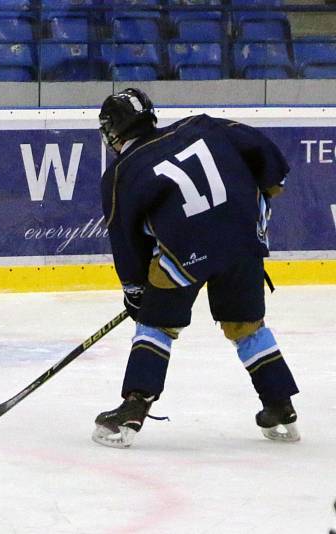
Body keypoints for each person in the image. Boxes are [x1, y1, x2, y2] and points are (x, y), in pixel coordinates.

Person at [92, 88, 300, 448]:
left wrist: (137, 291)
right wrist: (271, 180)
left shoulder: (122, 172)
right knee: (246, 325)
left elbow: (126, 240)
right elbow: (259, 146)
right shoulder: (201, 125)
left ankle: (134, 406)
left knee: (156, 325)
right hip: (242, 238)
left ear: (112, 130)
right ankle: (279, 404)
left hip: (185, 250)